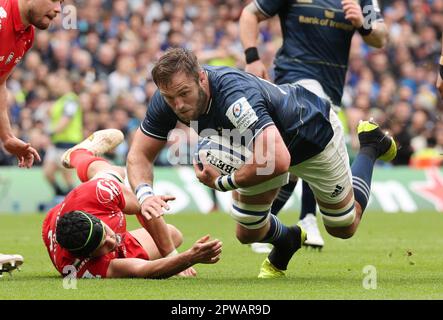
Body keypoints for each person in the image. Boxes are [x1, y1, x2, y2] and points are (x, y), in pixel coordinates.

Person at [127, 48, 396, 278]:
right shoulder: (168, 99)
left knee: (343, 227)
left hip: (313, 137)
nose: (178, 105)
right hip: (263, 147)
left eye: (184, 93)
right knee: (247, 232)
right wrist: (145, 194)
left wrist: (224, 182)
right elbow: (139, 154)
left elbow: (278, 160)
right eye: (169, 98)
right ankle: (289, 240)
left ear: (201, 78)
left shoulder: (234, 96)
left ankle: (372, 146)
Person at [239, 0, 388, 251]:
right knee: (315, 135)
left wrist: (364, 26)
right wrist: (252, 57)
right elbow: (249, 13)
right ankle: (307, 217)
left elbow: (381, 38)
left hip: (331, 85)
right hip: (294, 77)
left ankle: (268, 223)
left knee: (296, 159)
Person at [43, 129, 222, 279]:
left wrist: (171, 255)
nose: (112, 241)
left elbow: (144, 208)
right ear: (88, 255)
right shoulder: (83, 267)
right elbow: (143, 270)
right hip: (67, 228)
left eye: (106, 233)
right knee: (172, 236)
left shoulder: (98, 195)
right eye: (102, 246)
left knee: (114, 171)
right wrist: (188, 258)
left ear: (98, 219)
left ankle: (78, 154)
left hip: (88, 197)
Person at [0, 0, 64, 275]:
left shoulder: (26, 34)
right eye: (55, 0)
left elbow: (0, 82)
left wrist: (6, 136)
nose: (60, 9)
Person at [43, 74, 83, 203]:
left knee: (67, 175)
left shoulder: (71, 100)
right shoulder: (60, 101)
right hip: (56, 143)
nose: (56, 87)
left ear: (67, 85)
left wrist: (49, 131)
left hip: (68, 143)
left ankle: (76, 202)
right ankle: (61, 195)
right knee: (48, 172)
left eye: (59, 84)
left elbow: (65, 120)